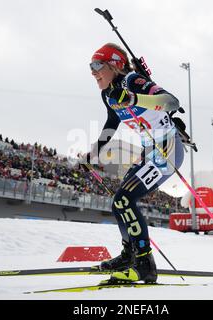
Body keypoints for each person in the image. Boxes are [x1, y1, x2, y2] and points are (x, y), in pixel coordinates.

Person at [82, 43, 185, 283]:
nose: (93, 72)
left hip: (167, 148)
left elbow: (172, 102)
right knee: (118, 204)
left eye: (97, 65)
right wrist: (94, 152)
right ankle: (130, 256)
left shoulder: (132, 81)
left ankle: (145, 264)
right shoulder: (107, 94)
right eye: (91, 67)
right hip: (149, 150)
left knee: (124, 200)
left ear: (114, 65)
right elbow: (111, 122)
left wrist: (133, 98)